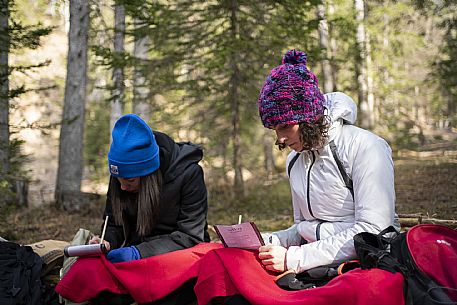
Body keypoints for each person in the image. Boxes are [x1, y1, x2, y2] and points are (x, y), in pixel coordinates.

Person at [256, 49, 398, 274]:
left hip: (371, 264)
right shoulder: (295, 160)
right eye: (274, 129)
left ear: (307, 118)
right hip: (317, 266)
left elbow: (374, 231)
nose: (280, 139)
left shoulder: (366, 146)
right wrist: (269, 240)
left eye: (284, 126)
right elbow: (305, 229)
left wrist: (295, 258)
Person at [89, 113, 209, 304]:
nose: (122, 187)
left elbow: (191, 236)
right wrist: (106, 241)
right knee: (101, 293)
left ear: (149, 173)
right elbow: (114, 224)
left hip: (178, 258)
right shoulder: (122, 174)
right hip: (134, 260)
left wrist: (138, 253)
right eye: (118, 179)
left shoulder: (188, 174)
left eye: (129, 180)